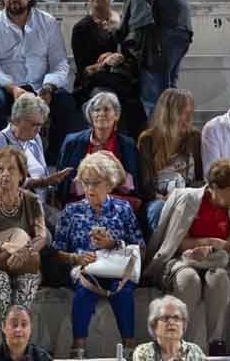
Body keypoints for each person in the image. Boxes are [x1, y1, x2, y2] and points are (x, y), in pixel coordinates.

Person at [145, 158, 230, 356]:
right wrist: (205, 243)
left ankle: (215, 342)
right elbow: (177, 242)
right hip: (183, 260)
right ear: (215, 187)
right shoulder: (189, 199)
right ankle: (184, 345)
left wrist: (218, 249)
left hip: (215, 262)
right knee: (188, 280)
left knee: (219, 279)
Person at [0, 0, 80, 160]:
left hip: (41, 87)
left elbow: (60, 63)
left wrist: (49, 87)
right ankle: (1, 157)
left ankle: (55, 159)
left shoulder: (48, 23)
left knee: (66, 102)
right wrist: (13, 89)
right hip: (8, 88)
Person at [53, 151, 146, 358]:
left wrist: (112, 243)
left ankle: (130, 350)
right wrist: (76, 258)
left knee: (122, 292)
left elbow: (139, 246)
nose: (89, 189)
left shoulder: (123, 209)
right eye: (85, 183)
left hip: (118, 269)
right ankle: (78, 350)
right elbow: (56, 251)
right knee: (84, 292)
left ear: (109, 184)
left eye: (95, 183)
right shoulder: (71, 211)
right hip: (85, 269)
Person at [0, 145, 48, 322]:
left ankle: (19, 336)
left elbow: (41, 236)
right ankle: (7, 340)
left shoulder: (32, 200)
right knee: (1, 283)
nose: (5, 174)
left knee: (27, 285)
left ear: (22, 175)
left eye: (11, 169)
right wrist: (5, 246)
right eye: (0, 169)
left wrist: (24, 251)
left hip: (25, 262)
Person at [70, 0, 143, 133]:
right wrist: (104, 63)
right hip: (97, 83)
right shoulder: (81, 29)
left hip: (125, 81)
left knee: (137, 102)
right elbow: (84, 72)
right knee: (107, 99)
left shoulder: (125, 21)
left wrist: (121, 58)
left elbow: (136, 58)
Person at [57, 91, 142, 205]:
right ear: (90, 116)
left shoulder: (128, 145)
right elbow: (63, 186)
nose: (101, 113)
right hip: (81, 202)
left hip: (117, 202)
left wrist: (118, 170)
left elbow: (132, 187)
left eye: (106, 109)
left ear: (116, 115)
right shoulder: (72, 142)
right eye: (96, 110)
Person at [138, 88, 204, 231]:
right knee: (159, 209)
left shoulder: (194, 137)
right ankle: (161, 252)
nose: (188, 118)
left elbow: (199, 177)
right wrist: (159, 197)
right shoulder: (148, 140)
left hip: (187, 196)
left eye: (190, 113)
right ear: (169, 114)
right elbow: (144, 181)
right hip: (158, 199)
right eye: (183, 113)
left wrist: (184, 195)